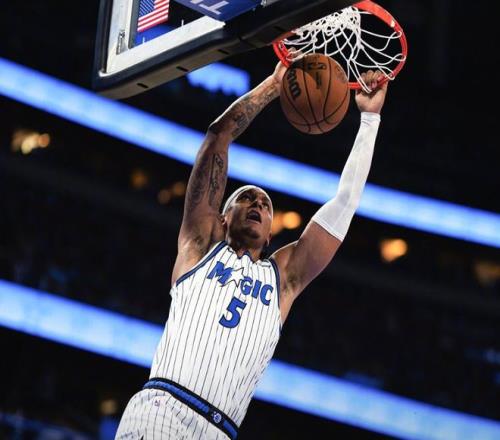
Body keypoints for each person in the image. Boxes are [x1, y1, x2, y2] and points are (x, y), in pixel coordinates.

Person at [115, 62, 388, 439]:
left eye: (265, 204)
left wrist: (369, 120)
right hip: (163, 408)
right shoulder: (199, 247)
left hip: (221, 431)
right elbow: (218, 136)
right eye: (245, 198)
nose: (258, 203)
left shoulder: (284, 279)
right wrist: (274, 85)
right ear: (221, 219)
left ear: (272, 235)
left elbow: (344, 204)